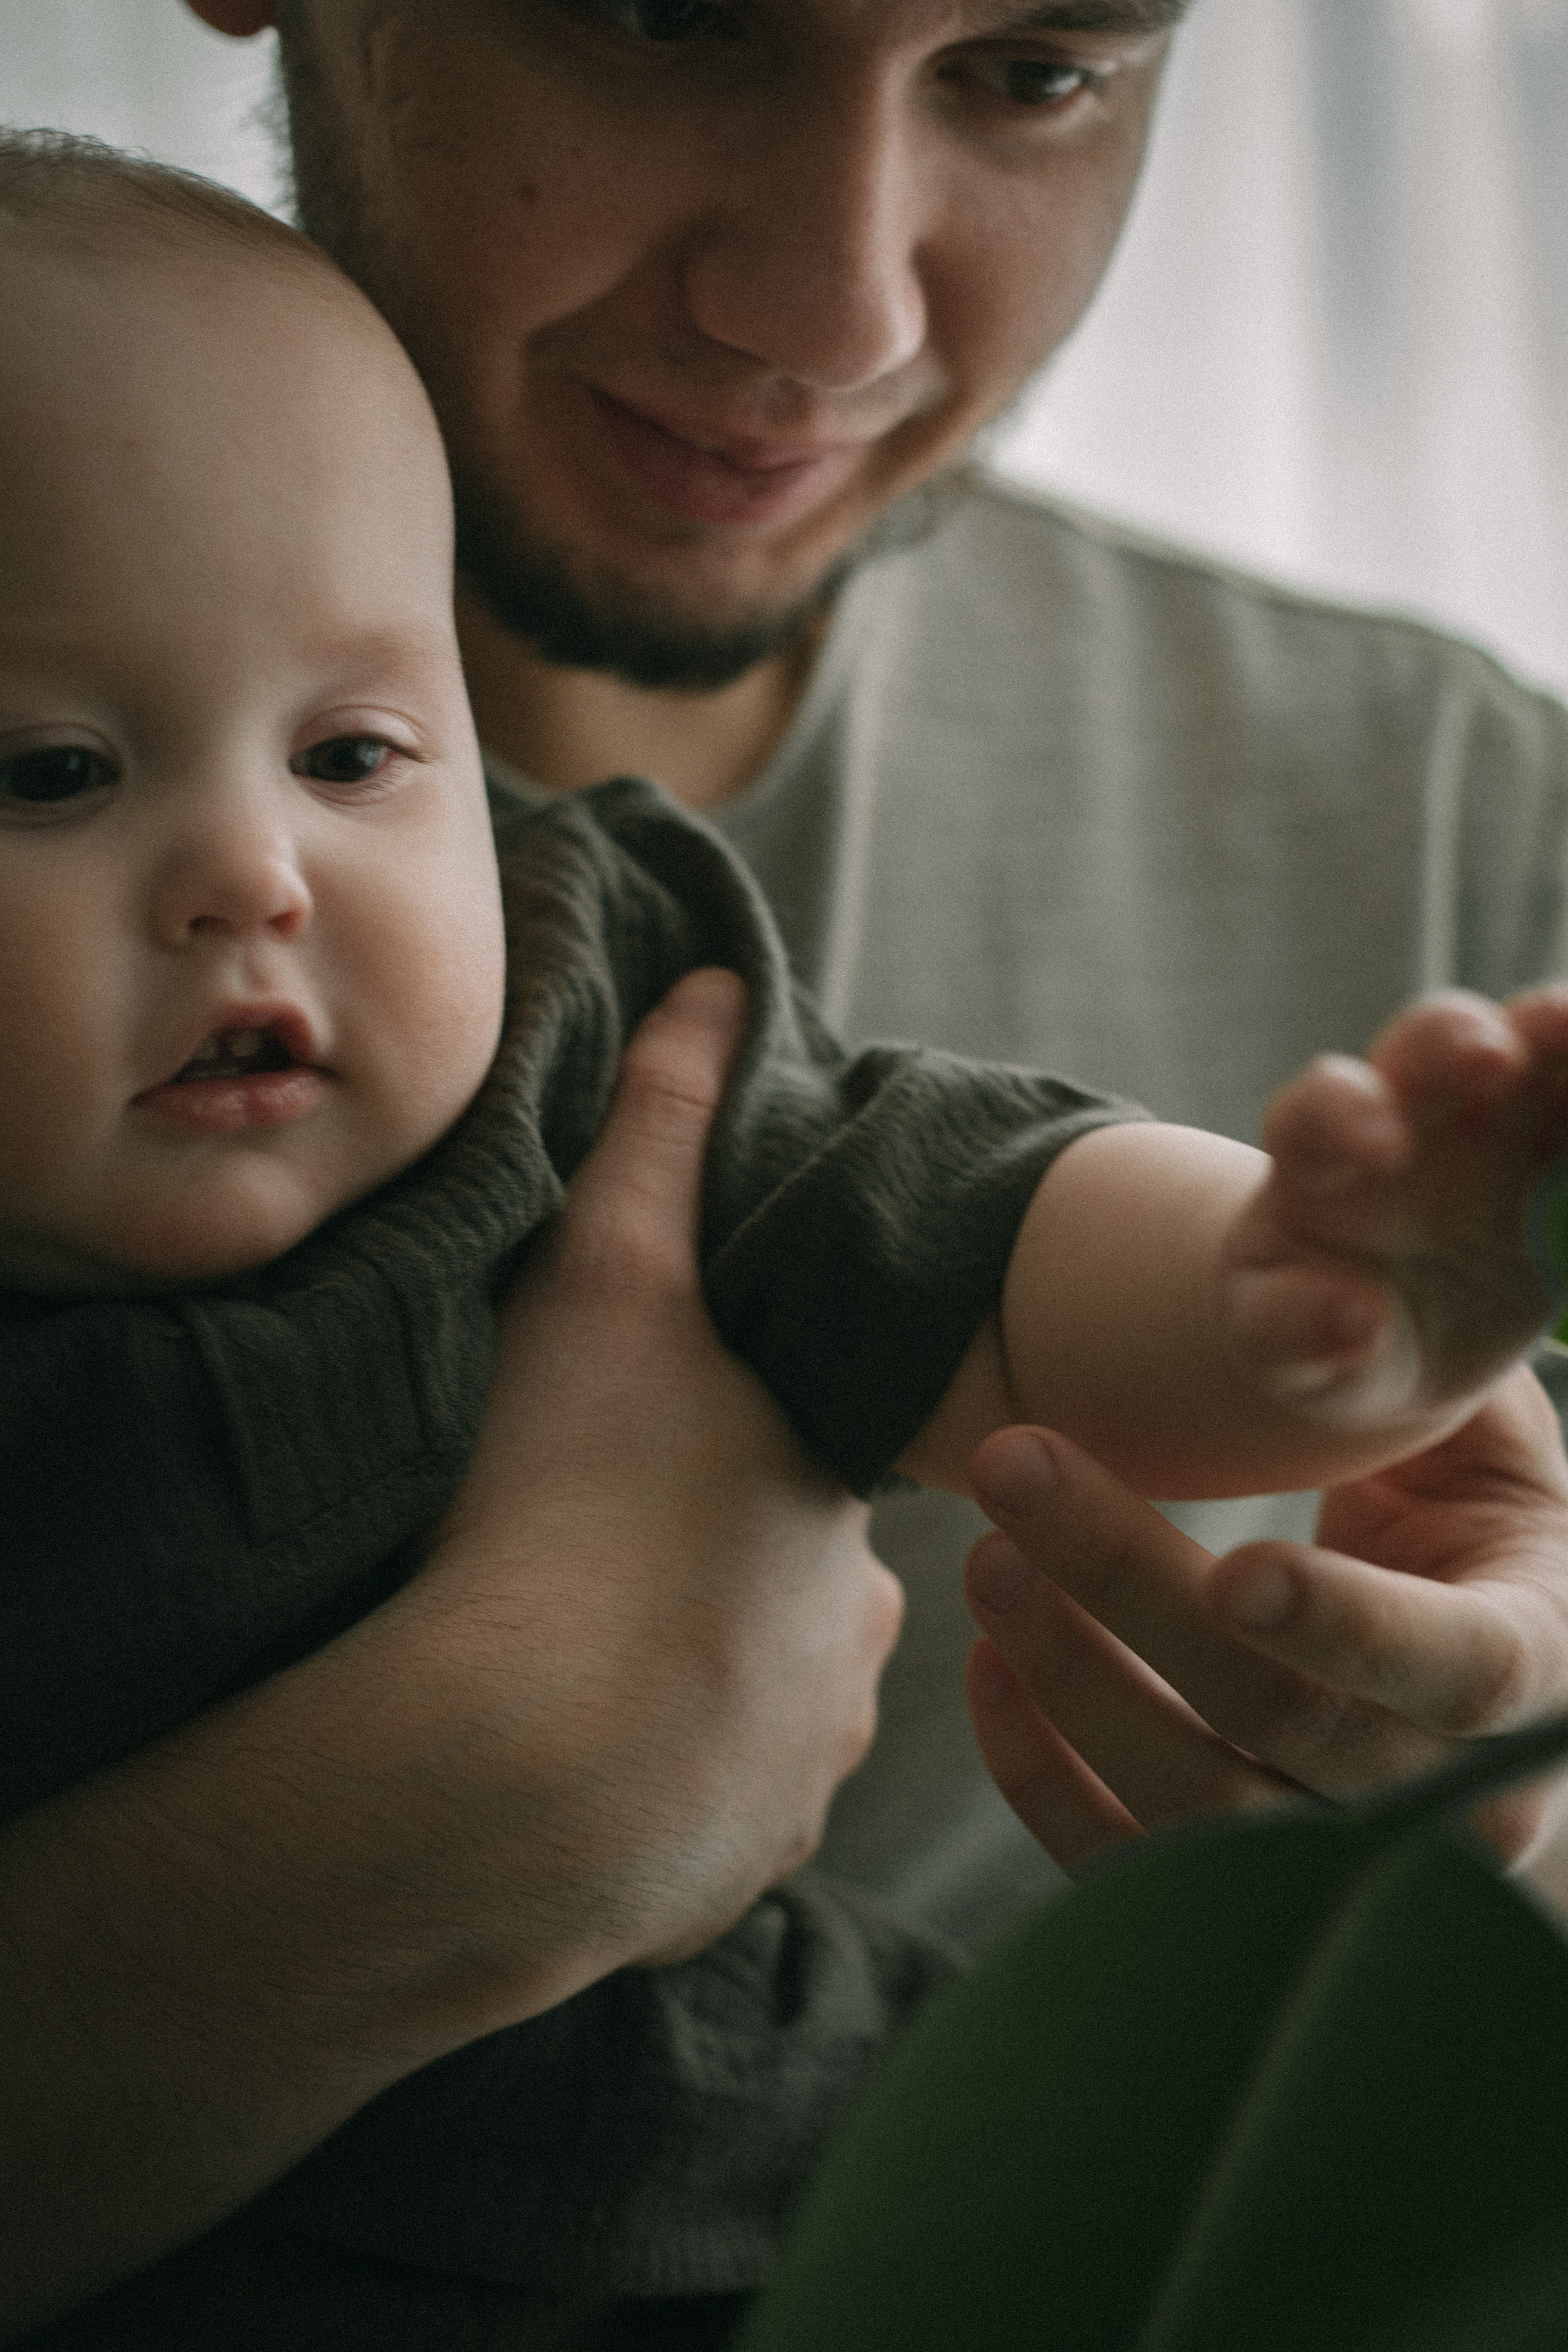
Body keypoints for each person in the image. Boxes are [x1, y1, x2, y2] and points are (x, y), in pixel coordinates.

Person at [7, 133, 1568, 2341]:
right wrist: (500, 1785)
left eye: (356, 752)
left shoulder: (574, 1011)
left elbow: (981, 1233)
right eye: (54, 776)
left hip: (774, 2230)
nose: (249, 873)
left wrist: (1303, 1304)